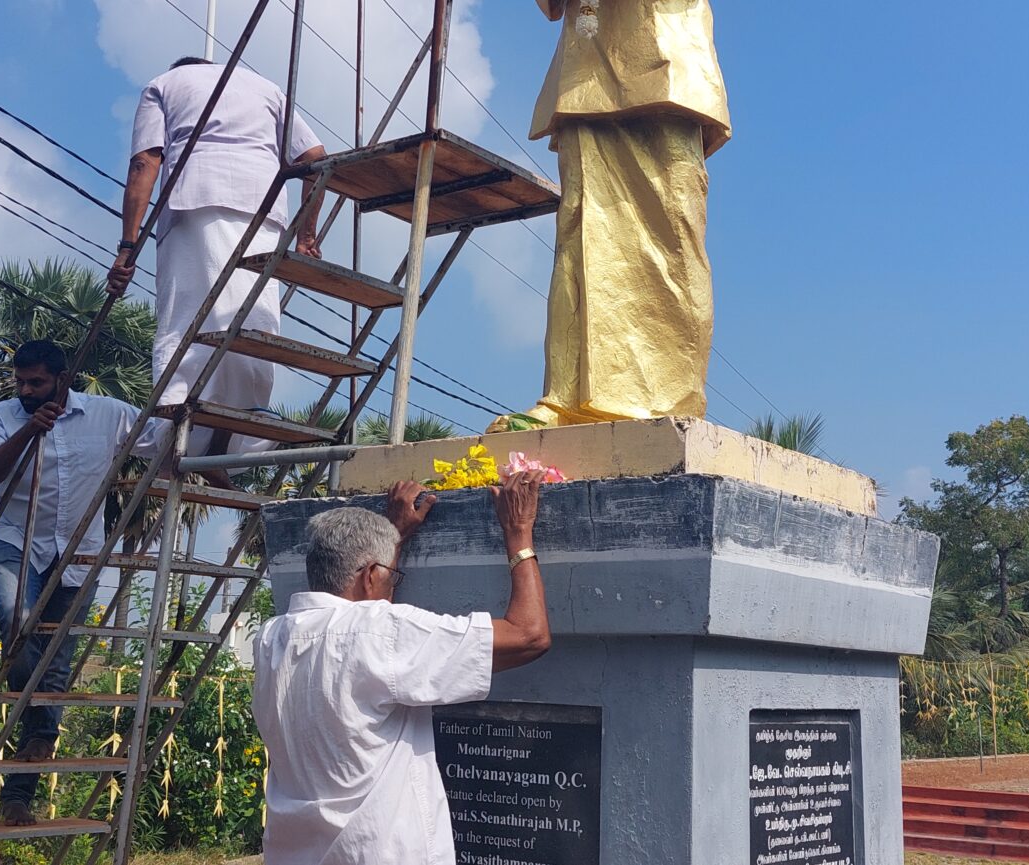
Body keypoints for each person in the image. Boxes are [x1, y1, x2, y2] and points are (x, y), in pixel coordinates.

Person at [253, 473, 553, 865]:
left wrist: (390, 538)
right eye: (388, 577)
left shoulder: (269, 639)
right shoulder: (379, 632)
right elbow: (529, 635)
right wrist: (517, 533)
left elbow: (359, 627)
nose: (390, 587)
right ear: (371, 575)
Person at [491, 0, 731, 430]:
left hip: (668, 59)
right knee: (579, 229)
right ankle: (565, 399)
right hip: (587, 67)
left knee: (673, 235)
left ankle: (671, 397)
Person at [0, 339, 167, 826]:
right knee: (16, 622)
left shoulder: (108, 414)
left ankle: (18, 794)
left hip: (79, 553)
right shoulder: (0, 417)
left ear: (62, 380)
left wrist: (202, 420)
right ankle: (39, 728)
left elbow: (163, 440)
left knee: (55, 664)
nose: (25, 391)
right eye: (20, 382)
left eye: (35, 382)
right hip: (18, 542)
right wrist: (28, 432)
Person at [108, 56, 328, 470]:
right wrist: (307, 234)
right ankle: (246, 425)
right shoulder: (266, 88)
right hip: (264, 213)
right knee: (252, 318)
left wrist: (127, 246)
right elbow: (315, 157)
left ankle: (176, 425)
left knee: (187, 318)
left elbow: (145, 162)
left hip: (194, 202)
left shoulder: (164, 83)